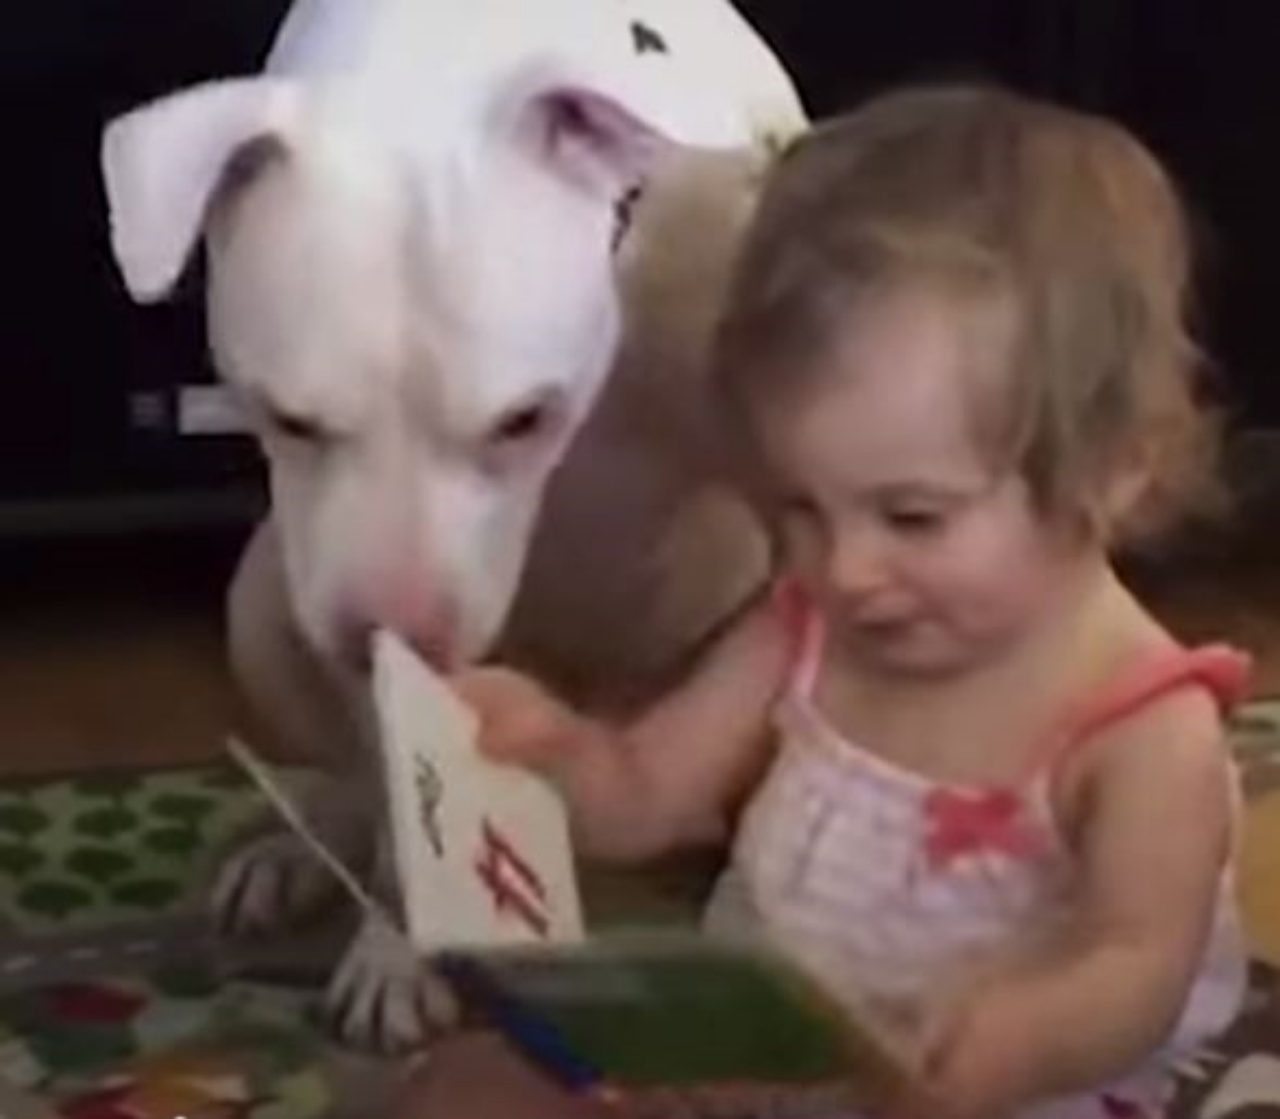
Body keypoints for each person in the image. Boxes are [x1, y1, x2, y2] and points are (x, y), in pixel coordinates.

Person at [401, 83, 1253, 1119]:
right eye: (799, 505)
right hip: (763, 1070)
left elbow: (1139, 963)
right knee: (463, 1087)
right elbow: (644, 795)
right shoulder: (808, 623)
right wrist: (555, 756)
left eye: (912, 517)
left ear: (1114, 467)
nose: (843, 568)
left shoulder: (1139, 723)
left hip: (996, 1100)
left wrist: (1027, 1036)